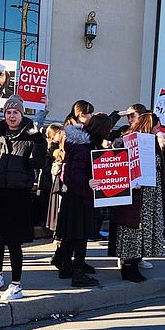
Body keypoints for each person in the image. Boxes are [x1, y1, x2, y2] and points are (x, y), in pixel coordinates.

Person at [0, 95, 46, 300]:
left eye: (15, 112)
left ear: (21, 114)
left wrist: (39, 142)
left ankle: (16, 284)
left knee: (14, 242)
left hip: (18, 195)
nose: (11, 116)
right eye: (8, 112)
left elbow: (38, 164)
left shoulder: (31, 135)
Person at [110, 113, 165, 282]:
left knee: (143, 231)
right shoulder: (128, 141)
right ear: (149, 125)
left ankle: (135, 264)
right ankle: (128, 268)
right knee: (132, 231)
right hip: (136, 194)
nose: (159, 129)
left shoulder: (152, 142)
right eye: (156, 125)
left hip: (150, 195)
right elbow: (119, 164)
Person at [58, 113, 113, 287]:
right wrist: (87, 182)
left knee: (71, 235)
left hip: (73, 196)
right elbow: (76, 172)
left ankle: (66, 266)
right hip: (81, 196)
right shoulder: (85, 146)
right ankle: (78, 274)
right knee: (80, 236)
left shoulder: (81, 142)